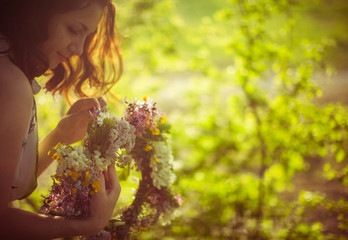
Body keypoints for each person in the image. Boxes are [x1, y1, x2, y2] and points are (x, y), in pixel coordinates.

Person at [0, 0, 123, 238]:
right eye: (73, 30)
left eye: (87, 36)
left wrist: (59, 136)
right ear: (35, 13)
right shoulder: (11, 85)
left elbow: (7, 189)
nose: (78, 49)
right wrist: (87, 225)